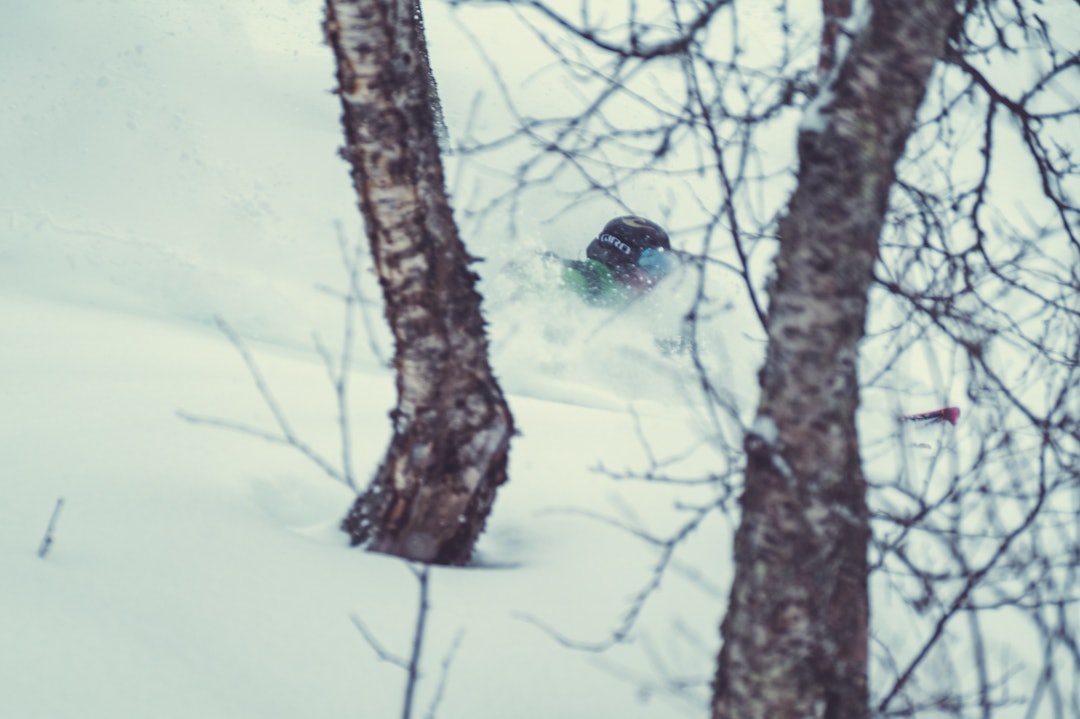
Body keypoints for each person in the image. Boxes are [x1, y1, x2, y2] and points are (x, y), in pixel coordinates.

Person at [555, 216, 675, 306]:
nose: (658, 278)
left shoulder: (618, 298)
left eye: (665, 265)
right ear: (625, 259)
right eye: (653, 264)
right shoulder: (578, 281)